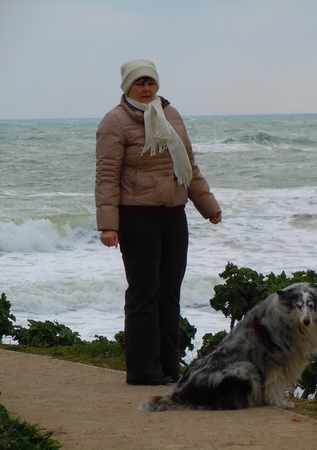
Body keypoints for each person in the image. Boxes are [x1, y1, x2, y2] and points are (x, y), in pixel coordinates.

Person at [95, 59, 222, 386]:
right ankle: (142, 371)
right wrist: (109, 225)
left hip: (173, 217)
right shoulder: (115, 121)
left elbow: (188, 165)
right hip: (137, 218)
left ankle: (168, 367)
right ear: (127, 86)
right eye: (140, 83)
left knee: (169, 292)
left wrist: (207, 206)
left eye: (151, 82)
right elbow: (107, 177)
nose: (147, 88)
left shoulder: (171, 114)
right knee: (143, 294)